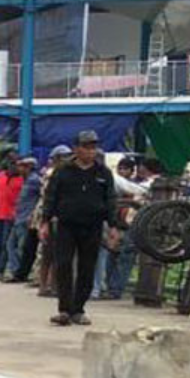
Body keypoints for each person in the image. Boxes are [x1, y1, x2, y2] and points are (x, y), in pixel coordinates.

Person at [41, 130, 117, 326]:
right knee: (64, 265)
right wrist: (45, 222)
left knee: (87, 267)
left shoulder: (103, 173)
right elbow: (51, 197)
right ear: (76, 149)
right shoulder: (63, 171)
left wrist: (113, 226)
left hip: (93, 225)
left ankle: (78, 309)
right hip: (66, 225)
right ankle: (64, 309)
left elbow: (110, 200)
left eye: (93, 147)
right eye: (86, 147)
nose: (90, 151)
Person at [95, 156, 150, 300]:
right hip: (118, 223)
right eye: (120, 168)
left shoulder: (134, 185)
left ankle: (114, 289)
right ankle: (107, 286)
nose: (121, 171)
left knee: (122, 256)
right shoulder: (124, 183)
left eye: (125, 168)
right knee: (111, 255)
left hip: (128, 225)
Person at [34, 145, 72, 298]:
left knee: (54, 254)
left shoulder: (62, 173)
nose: (66, 159)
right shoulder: (52, 174)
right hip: (52, 217)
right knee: (50, 253)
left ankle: (50, 285)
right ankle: (47, 285)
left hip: (56, 216)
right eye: (63, 157)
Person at [0, 158, 27, 280]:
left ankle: (0, 270)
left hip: (12, 216)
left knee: (6, 244)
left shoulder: (22, 179)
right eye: (13, 164)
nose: (15, 167)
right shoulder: (1, 176)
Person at [9, 156, 46, 283]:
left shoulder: (35, 180)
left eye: (22, 166)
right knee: (12, 245)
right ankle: (18, 272)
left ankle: (23, 273)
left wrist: (33, 214)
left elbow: (43, 195)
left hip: (27, 219)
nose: (19, 168)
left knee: (23, 247)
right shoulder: (26, 180)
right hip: (19, 217)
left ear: (29, 167)